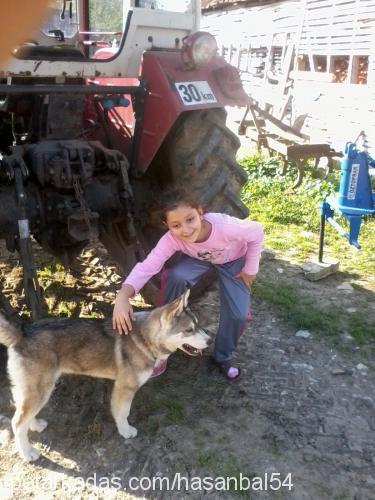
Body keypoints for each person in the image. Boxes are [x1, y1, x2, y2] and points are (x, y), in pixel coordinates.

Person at [112, 188, 264, 380]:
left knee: (238, 315)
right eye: (176, 225)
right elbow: (147, 267)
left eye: (190, 219)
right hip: (199, 259)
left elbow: (257, 231)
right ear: (166, 225)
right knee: (177, 276)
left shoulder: (224, 226)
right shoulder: (172, 239)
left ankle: (222, 357)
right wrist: (123, 295)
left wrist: (250, 269)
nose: (185, 229)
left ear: (200, 212)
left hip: (232, 260)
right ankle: (163, 338)